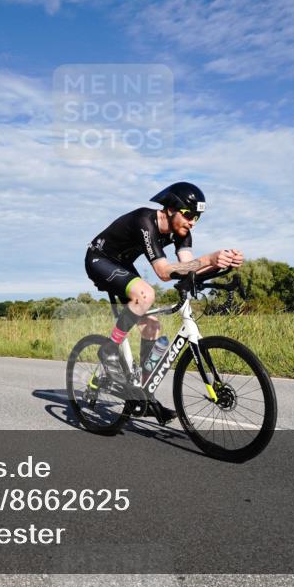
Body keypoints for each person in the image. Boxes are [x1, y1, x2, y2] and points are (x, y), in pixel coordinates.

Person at [85, 182, 244, 424]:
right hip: (99, 259)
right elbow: (163, 272)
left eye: (197, 218)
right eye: (189, 215)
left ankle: (145, 395)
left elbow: (188, 269)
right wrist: (207, 258)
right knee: (146, 294)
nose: (192, 222)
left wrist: (221, 263)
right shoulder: (145, 221)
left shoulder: (182, 232)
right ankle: (108, 348)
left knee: (153, 327)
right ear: (170, 209)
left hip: (123, 265)